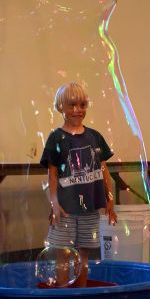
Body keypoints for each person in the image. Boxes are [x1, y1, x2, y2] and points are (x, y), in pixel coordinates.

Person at [40, 82, 117, 287]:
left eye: (82, 105)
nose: (78, 110)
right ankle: (63, 295)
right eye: (72, 105)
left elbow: (103, 170)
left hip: (89, 209)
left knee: (84, 255)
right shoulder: (56, 138)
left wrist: (110, 200)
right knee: (63, 255)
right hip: (65, 210)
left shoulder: (95, 136)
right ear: (60, 107)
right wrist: (54, 203)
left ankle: (81, 293)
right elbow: (52, 175)